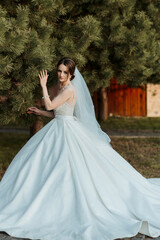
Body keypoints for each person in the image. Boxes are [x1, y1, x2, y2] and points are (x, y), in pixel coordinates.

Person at [0, 57, 160, 240]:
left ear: (71, 74)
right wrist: (39, 112)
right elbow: (57, 113)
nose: (60, 75)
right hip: (59, 128)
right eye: (59, 71)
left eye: (64, 72)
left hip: (67, 132)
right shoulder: (63, 88)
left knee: (68, 168)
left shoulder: (70, 89)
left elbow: (51, 104)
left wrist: (43, 85)